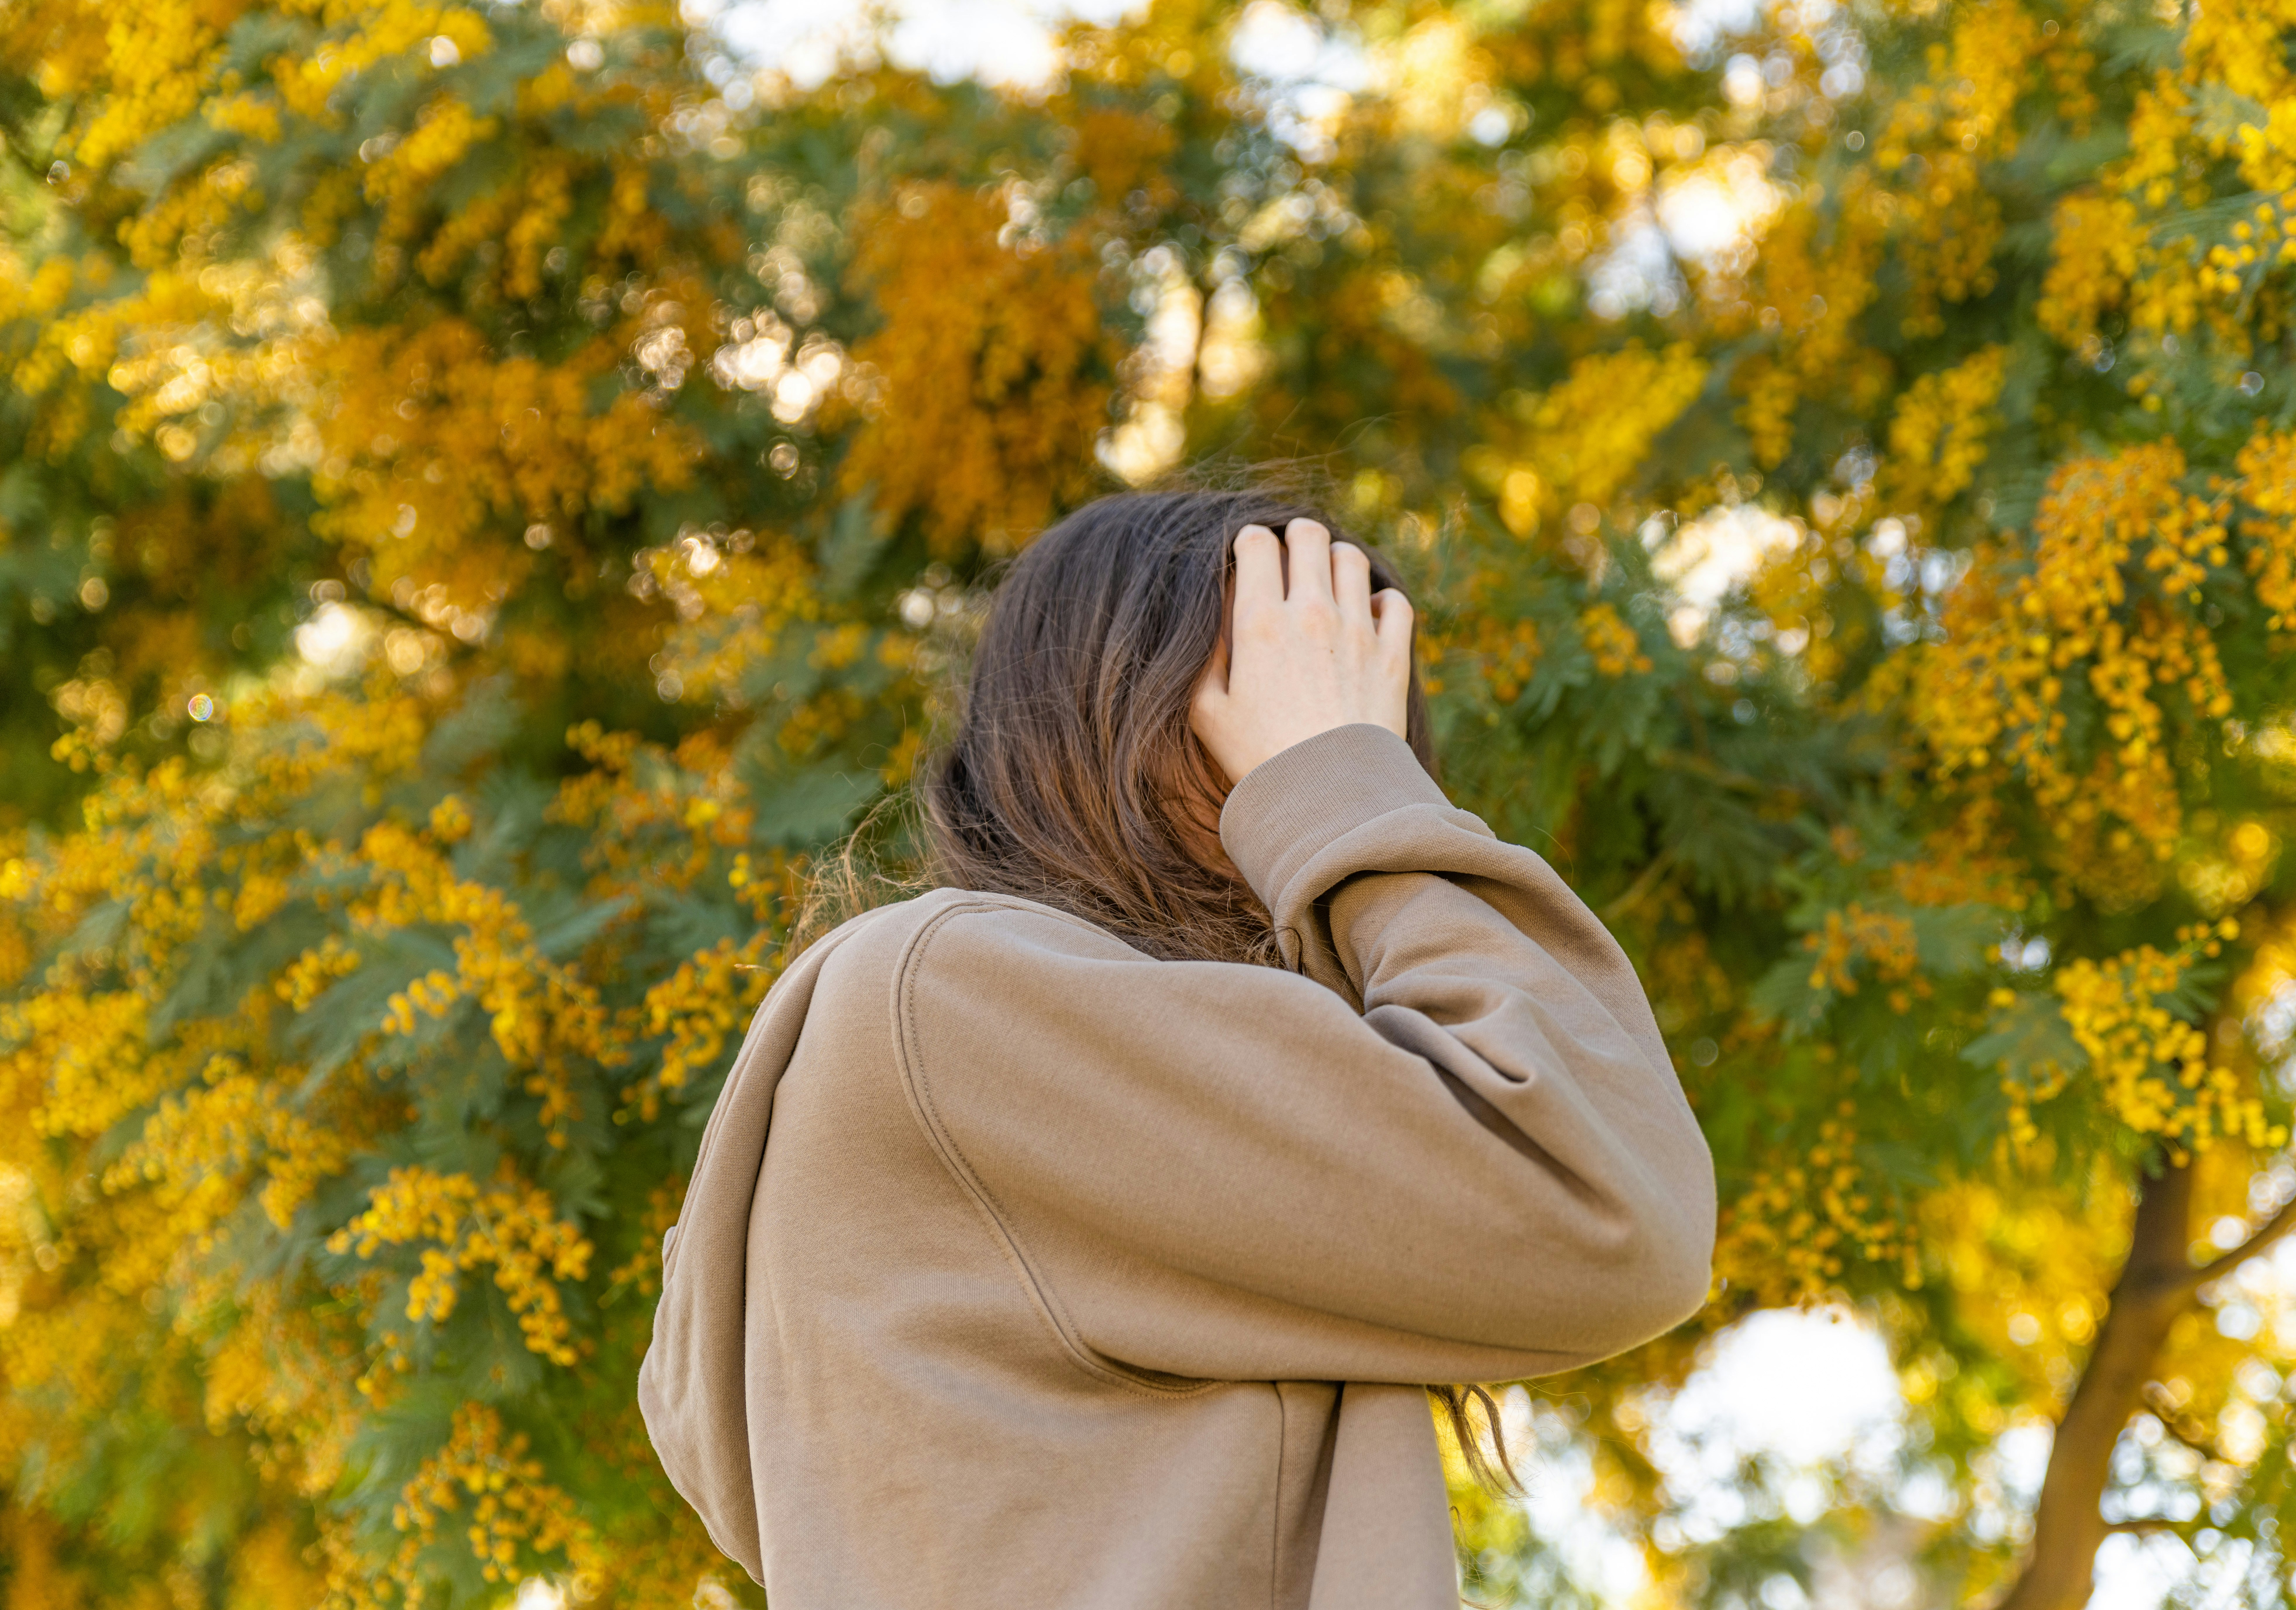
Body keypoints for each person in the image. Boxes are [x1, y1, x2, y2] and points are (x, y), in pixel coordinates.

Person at [638, 490, 1717, 1610]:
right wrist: (1340, 793)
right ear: (1118, 717)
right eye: (1279, 697)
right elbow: (1606, 1204)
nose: (1338, 750)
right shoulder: (954, 1000)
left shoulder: (1042, 1079)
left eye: (1361, 715)